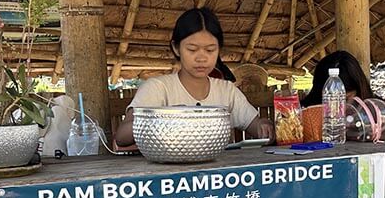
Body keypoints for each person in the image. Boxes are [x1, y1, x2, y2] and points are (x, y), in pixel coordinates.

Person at [115, 8, 273, 147]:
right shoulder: (157, 88)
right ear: (176, 48)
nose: (201, 58)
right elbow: (121, 137)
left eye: (210, 50)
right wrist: (166, 119)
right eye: (192, 49)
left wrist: (264, 127)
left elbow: (255, 124)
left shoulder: (226, 91)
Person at [300, 50, 374, 107]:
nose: (337, 109)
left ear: (359, 90)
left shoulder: (378, 113)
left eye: (345, 100)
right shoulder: (303, 114)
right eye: (329, 100)